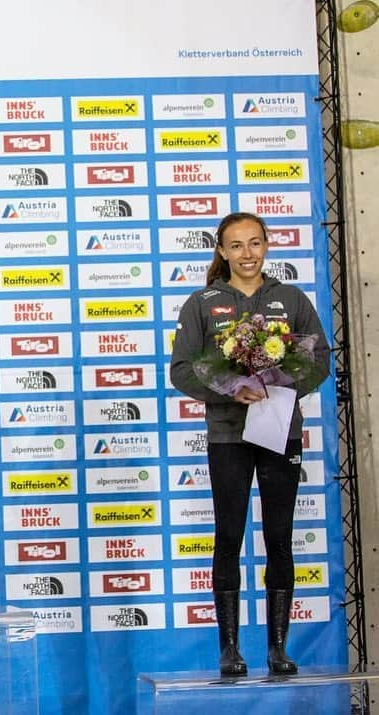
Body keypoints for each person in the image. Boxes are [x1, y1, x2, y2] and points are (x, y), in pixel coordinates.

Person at [170, 212, 329, 677]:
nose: (246, 254)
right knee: (229, 537)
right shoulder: (202, 302)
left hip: (280, 430)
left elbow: (319, 359)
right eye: (236, 246)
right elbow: (182, 369)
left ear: (267, 246)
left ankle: (278, 649)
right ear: (221, 251)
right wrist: (229, 386)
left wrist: (281, 381)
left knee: (279, 537)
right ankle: (229, 649)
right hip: (227, 434)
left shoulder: (290, 298)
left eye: (254, 243)